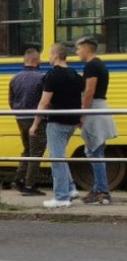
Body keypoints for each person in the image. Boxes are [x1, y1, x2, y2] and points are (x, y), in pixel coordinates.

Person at [29, 43, 85, 208]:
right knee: (60, 156)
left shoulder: (52, 75)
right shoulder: (75, 75)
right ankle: (71, 189)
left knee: (56, 159)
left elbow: (44, 103)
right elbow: (81, 101)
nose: (48, 58)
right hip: (72, 122)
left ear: (55, 55)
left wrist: (35, 124)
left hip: (57, 122)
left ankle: (61, 197)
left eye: (50, 54)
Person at [76, 35, 116, 205]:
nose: (77, 52)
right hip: (100, 109)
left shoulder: (91, 66)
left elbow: (89, 91)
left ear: (87, 48)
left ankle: (102, 192)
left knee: (93, 151)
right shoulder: (100, 64)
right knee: (95, 151)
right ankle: (98, 189)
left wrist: (83, 113)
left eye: (78, 49)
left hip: (94, 111)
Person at [8, 48, 47, 196]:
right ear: (35, 61)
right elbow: (45, 101)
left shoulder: (15, 78)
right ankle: (29, 185)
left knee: (27, 150)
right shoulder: (42, 78)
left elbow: (11, 101)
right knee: (36, 151)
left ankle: (18, 179)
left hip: (20, 118)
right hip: (36, 119)